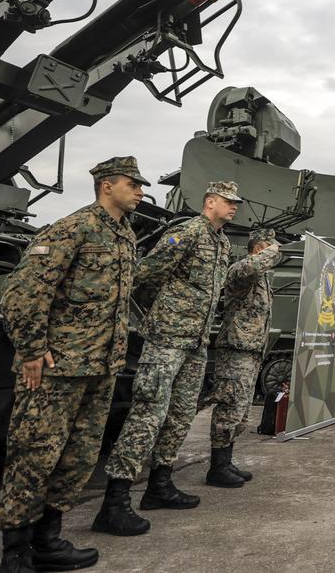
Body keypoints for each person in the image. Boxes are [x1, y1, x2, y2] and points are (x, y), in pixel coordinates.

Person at [0, 157, 145, 571]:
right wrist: (30, 349)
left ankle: (48, 542)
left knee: (77, 458)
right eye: (132, 184)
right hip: (57, 368)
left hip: (100, 367)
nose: (140, 191)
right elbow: (22, 292)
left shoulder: (125, 235)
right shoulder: (73, 227)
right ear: (106, 186)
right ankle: (15, 556)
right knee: (33, 458)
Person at [95, 180, 239, 535]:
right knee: (148, 413)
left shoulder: (220, 242)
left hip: (195, 342)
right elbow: (146, 274)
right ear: (210, 202)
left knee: (179, 415)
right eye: (228, 201)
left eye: (236, 202)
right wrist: (166, 314)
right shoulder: (189, 231)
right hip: (168, 338)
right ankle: (114, 503)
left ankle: (160, 486)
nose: (235, 207)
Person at [206, 228, 282, 487]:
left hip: (251, 351)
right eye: (270, 249)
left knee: (240, 410)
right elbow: (251, 267)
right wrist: (272, 251)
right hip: (236, 350)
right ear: (259, 249)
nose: (276, 254)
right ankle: (217, 468)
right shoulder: (241, 270)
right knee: (228, 406)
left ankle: (225, 461)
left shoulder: (262, 279)